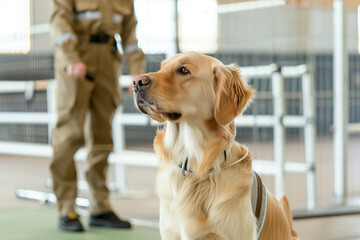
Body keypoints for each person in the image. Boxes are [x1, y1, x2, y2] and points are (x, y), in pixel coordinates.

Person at [50, 0, 145, 232]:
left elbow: (130, 33)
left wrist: (137, 69)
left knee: (102, 136)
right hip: (76, 59)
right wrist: (71, 58)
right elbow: (60, 22)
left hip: (108, 60)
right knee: (69, 135)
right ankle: (66, 209)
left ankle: (100, 207)